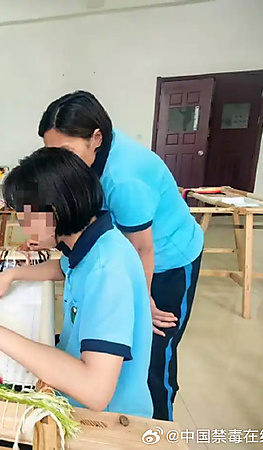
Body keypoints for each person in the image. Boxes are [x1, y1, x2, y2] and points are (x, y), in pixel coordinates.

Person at [36, 91, 204, 421]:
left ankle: (158, 429)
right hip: (129, 253)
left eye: (65, 152)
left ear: (96, 138)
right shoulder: (89, 156)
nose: (60, 163)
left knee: (154, 353)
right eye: (51, 153)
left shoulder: (123, 177)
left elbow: (142, 248)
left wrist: (143, 302)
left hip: (169, 258)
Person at [0, 148, 153, 418]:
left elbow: (95, 391)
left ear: (54, 211)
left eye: (26, 217)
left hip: (103, 418)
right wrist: (12, 274)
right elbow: (65, 268)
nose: (24, 228)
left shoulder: (108, 271)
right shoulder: (94, 242)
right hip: (74, 383)